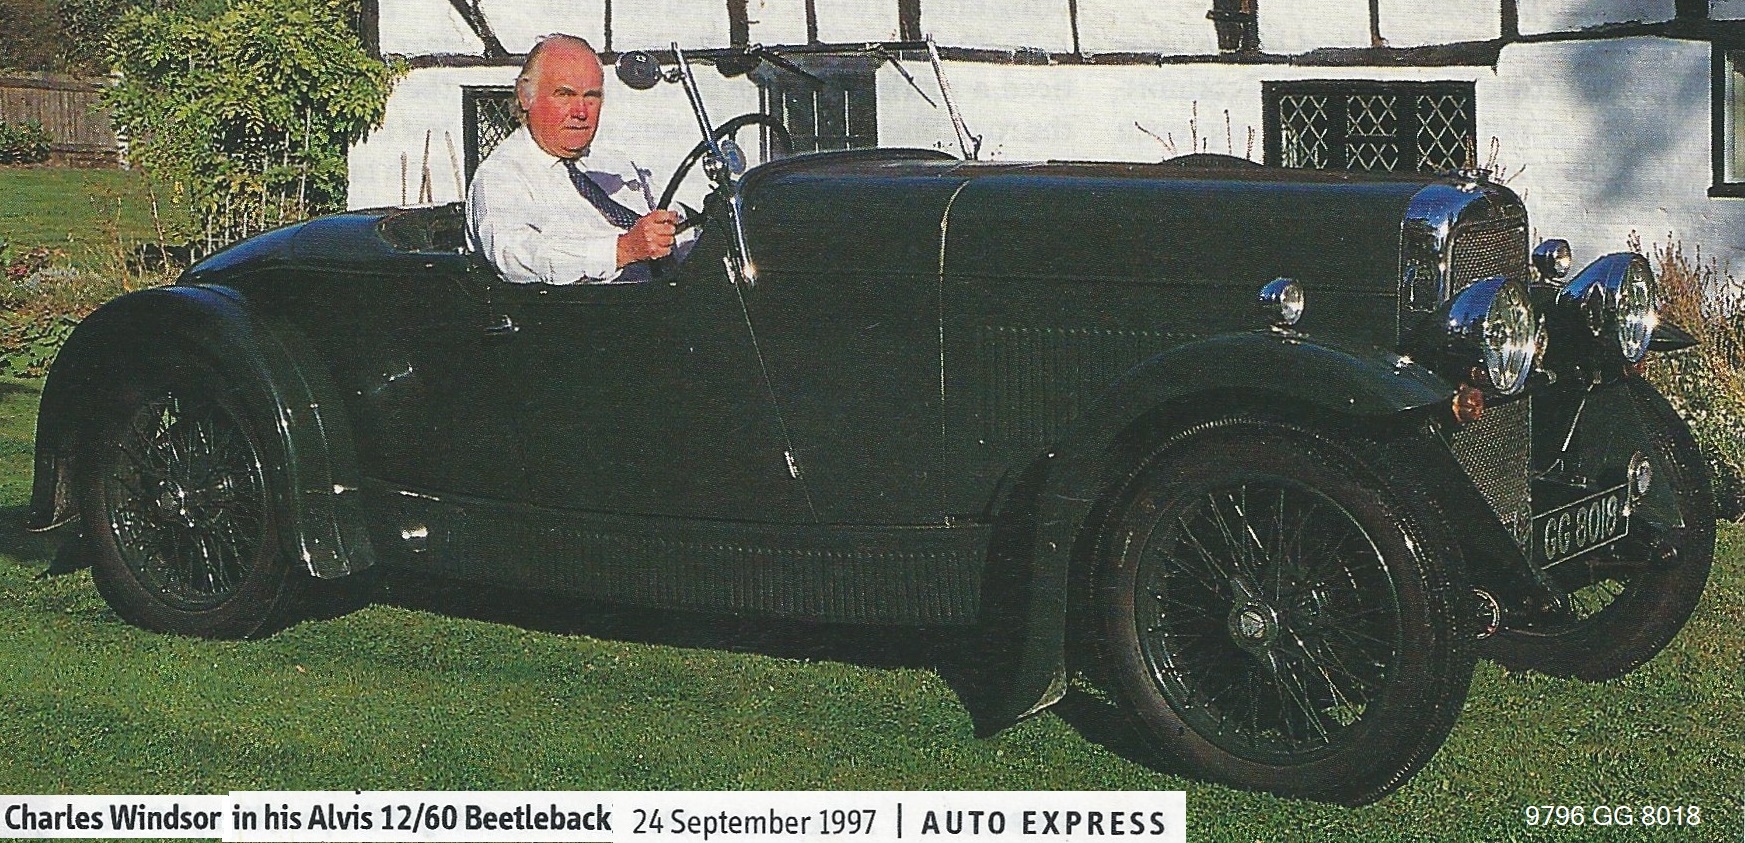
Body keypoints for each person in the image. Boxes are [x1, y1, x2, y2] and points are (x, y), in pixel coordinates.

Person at [467, 34, 683, 284]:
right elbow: (515, 257)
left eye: (591, 96)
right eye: (565, 95)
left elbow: (672, 219)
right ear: (525, 96)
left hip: (666, 296)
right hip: (578, 307)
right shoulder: (501, 175)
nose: (580, 112)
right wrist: (622, 250)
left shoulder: (615, 164)